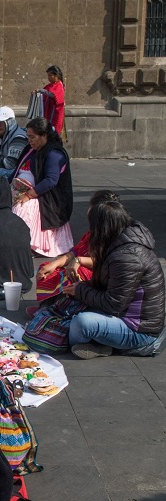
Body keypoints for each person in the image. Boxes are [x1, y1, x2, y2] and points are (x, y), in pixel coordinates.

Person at [63, 201, 166, 358]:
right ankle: (100, 343)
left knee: (81, 323)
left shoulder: (127, 257)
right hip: (124, 316)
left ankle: (91, 344)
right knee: (75, 308)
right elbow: (112, 285)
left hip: (139, 332)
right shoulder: (121, 245)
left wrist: (81, 290)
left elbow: (113, 303)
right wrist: (84, 287)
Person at [11, 117, 74, 258]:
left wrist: (28, 195)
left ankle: (27, 243)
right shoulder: (31, 150)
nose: (30, 141)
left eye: (33, 137)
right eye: (28, 137)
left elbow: (51, 180)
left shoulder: (55, 154)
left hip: (48, 198)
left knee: (21, 207)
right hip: (25, 189)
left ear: (44, 135)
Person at [36, 66, 65, 136]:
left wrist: (41, 91)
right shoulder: (50, 85)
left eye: (50, 75)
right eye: (48, 75)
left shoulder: (59, 85)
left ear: (56, 75)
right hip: (49, 112)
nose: (48, 78)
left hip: (55, 113)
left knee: (54, 131)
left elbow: (53, 94)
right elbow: (46, 92)